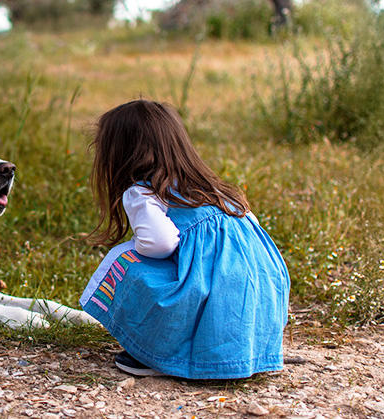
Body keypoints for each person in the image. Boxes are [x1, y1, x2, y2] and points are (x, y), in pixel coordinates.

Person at [79, 100, 290, 379]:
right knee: (209, 274)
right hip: (261, 292)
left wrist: (138, 249)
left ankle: (157, 354)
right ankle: (240, 351)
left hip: (212, 293)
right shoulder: (214, 189)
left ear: (121, 155)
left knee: (126, 260)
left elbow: (161, 243)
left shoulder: (143, 192)